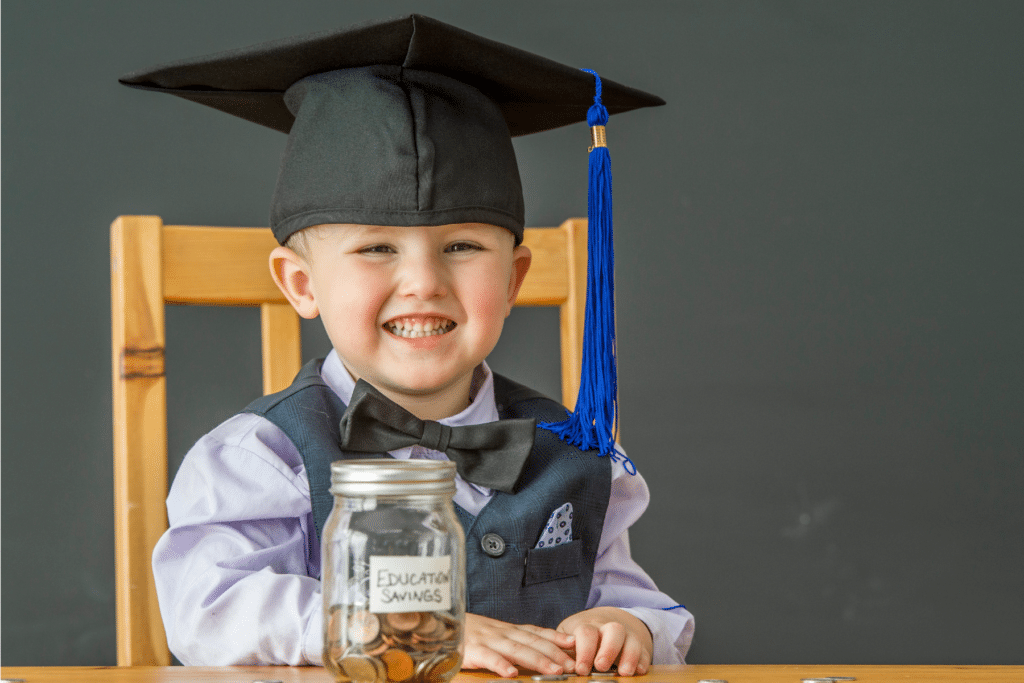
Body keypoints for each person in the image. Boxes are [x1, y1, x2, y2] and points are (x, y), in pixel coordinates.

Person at [124, 14, 694, 676]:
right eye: (376, 249)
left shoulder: (571, 454)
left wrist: (627, 626)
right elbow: (211, 611)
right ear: (301, 284)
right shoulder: (262, 459)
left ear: (513, 279)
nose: (423, 282)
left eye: (462, 247)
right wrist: (400, 629)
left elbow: (643, 607)